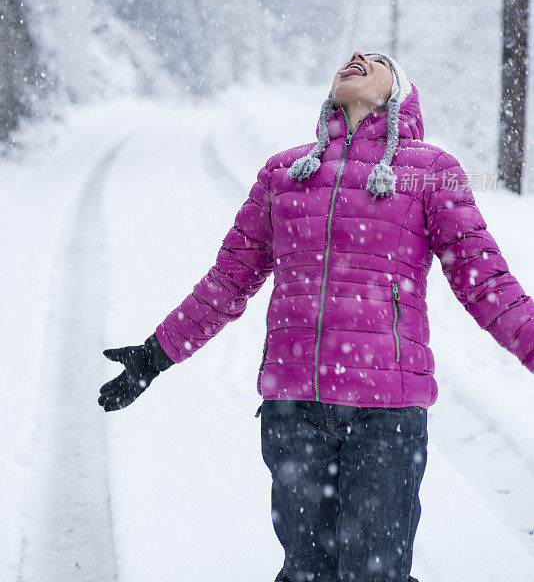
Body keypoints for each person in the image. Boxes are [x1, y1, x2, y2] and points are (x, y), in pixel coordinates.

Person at [99, 51, 534, 582]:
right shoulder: (284, 173)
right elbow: (228, 281)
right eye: (352, 55)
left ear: (399, 93)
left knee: (375, 574)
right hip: (293, 412)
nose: (356, 58)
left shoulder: (429, 172)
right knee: (306, 572)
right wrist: (155, 354)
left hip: (386, 415)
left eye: (376, 60)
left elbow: (485, 281)